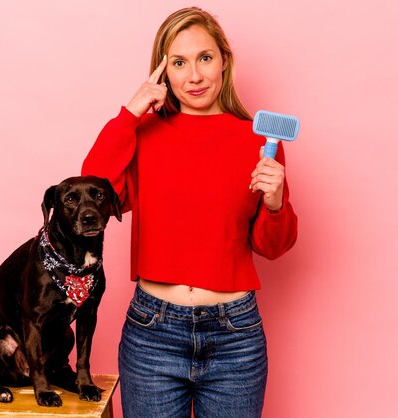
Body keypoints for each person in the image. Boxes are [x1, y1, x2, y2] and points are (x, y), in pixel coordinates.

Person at [81, 7, 298, 418]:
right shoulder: (142, 135)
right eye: (179, 63)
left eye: (204, 58)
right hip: (152, 335)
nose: (194, 76)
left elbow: (273, 247)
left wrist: (275, 203)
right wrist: (131, 112)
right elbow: (91, 188)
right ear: (163, 71)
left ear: (224, 61)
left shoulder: (259, 140)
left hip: (236, 338)